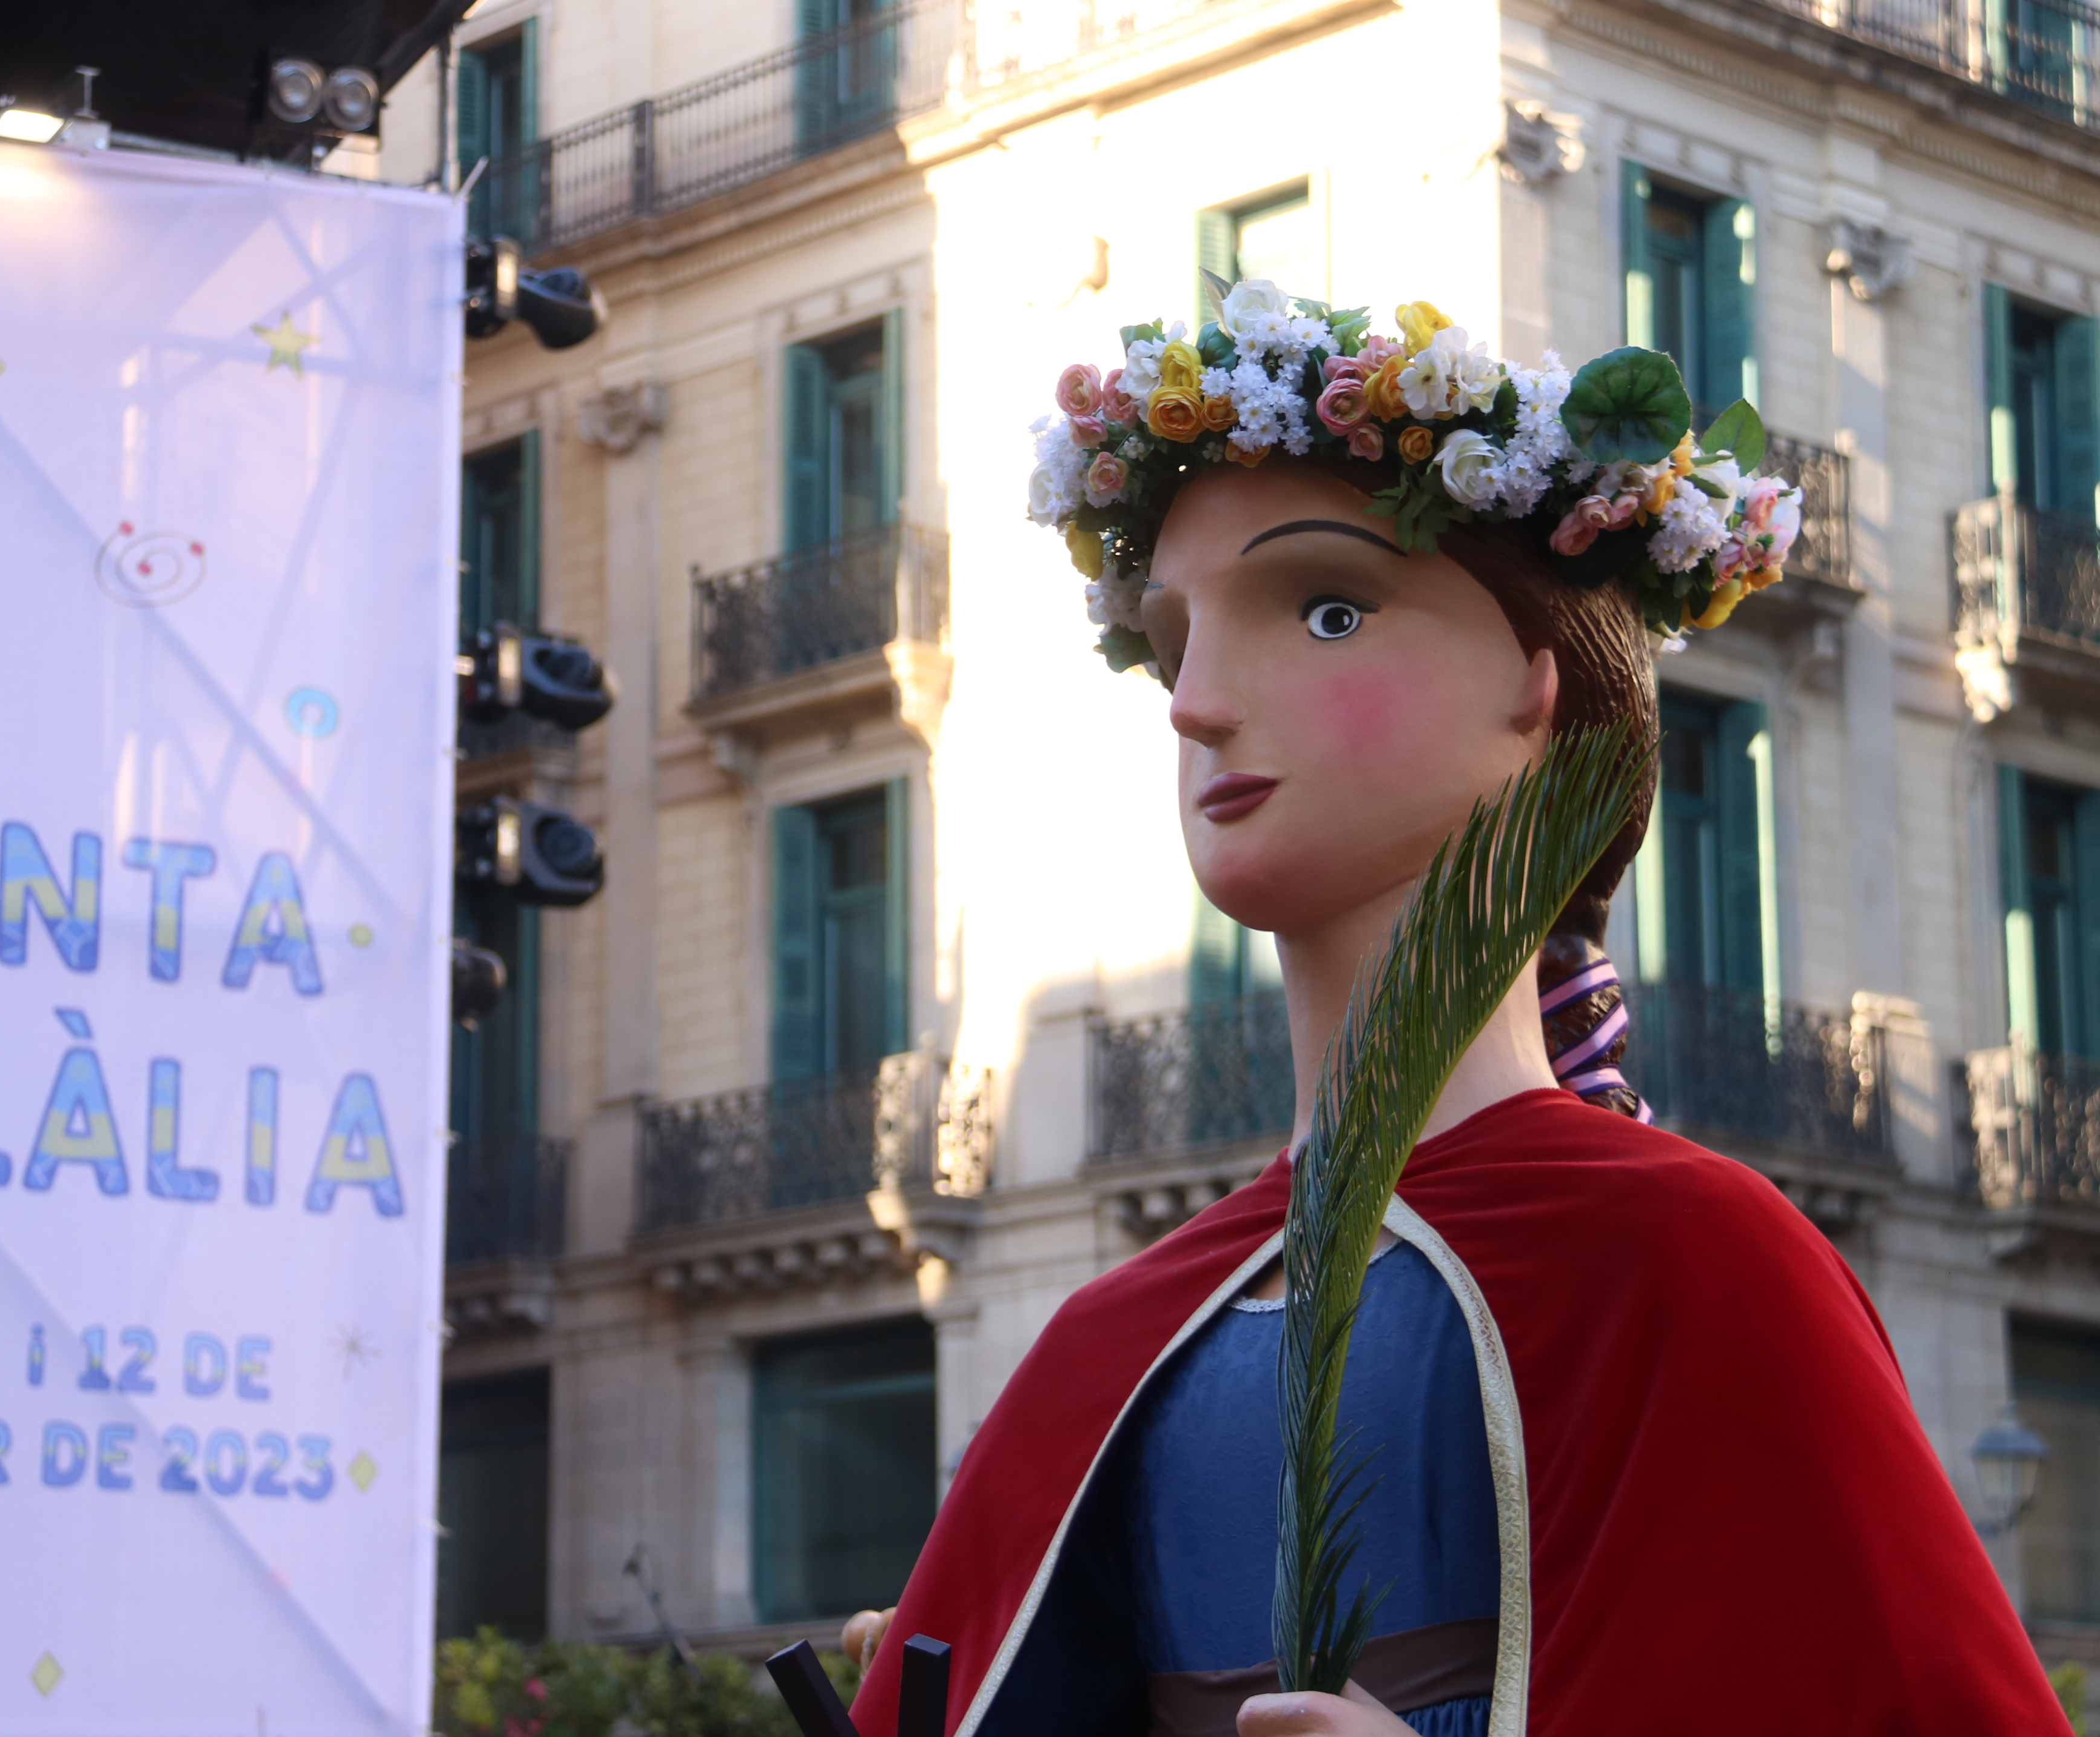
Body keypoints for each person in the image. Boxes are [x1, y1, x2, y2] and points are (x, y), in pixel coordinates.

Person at [837, 292, 2069, 1736]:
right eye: (1176, 642)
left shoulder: (1691, 1259)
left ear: (1539, 695)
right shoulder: (1112, 1328)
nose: (1198, 703)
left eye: (1327, 610)